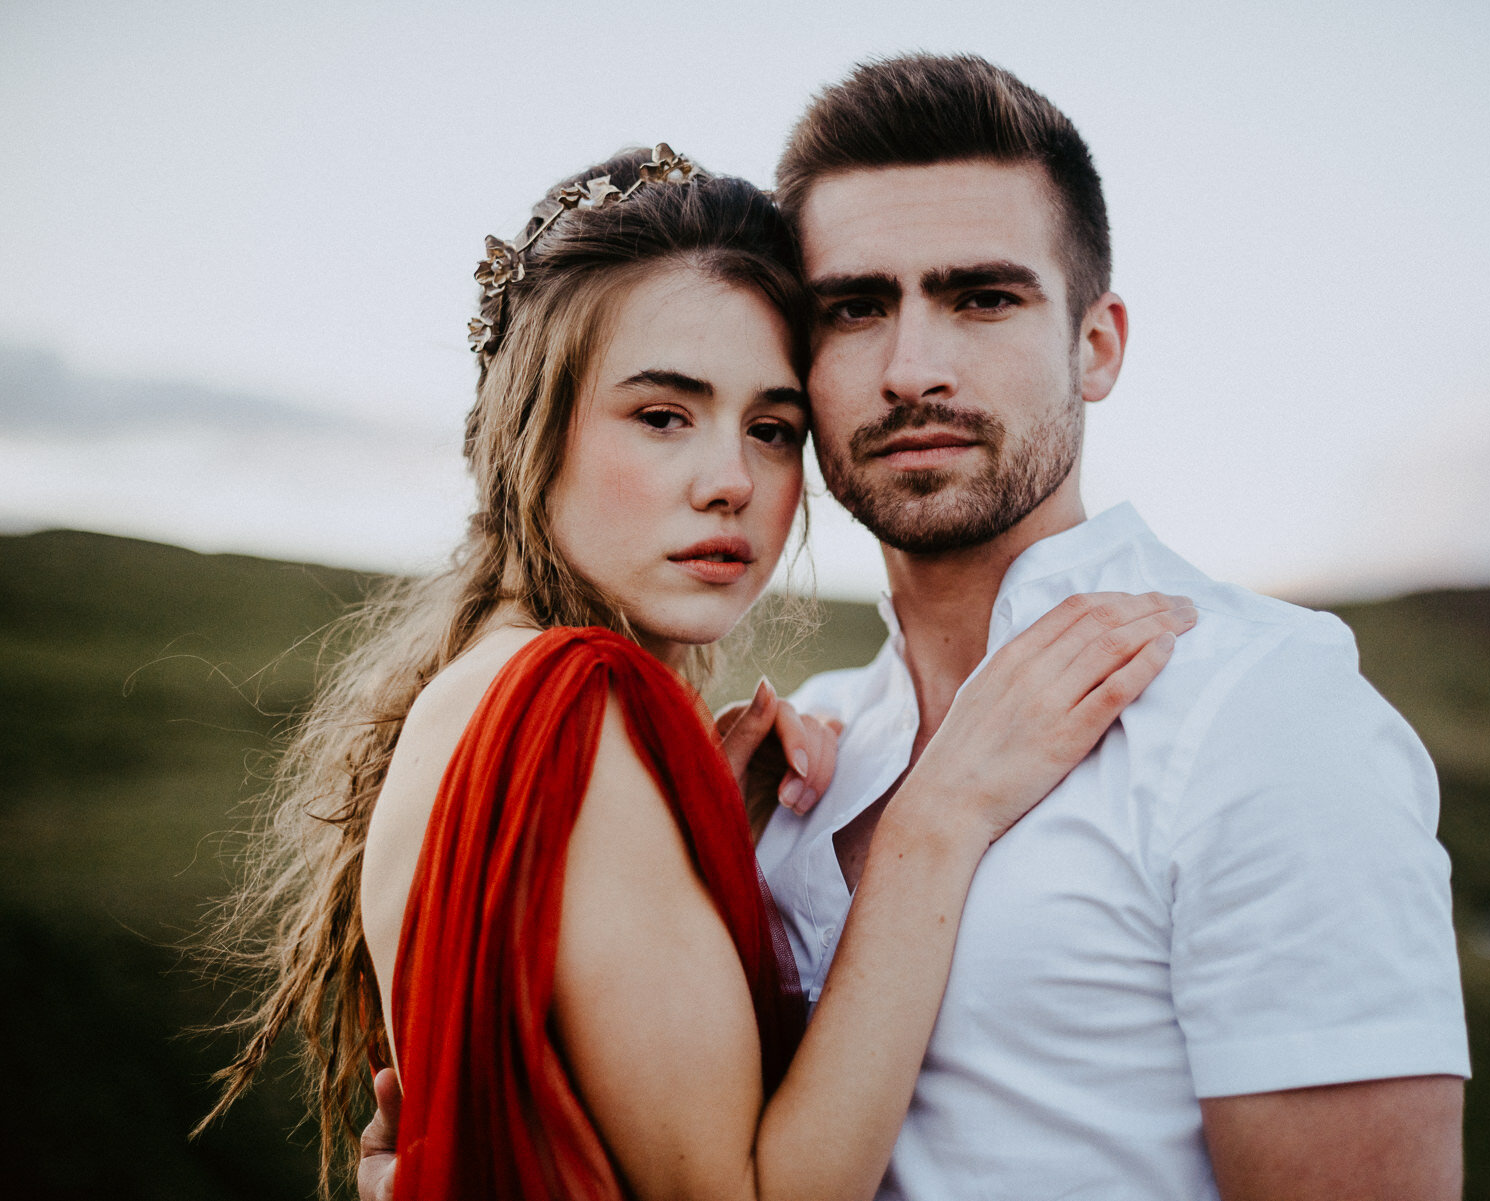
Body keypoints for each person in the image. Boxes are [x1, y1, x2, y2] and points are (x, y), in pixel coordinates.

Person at [362, 55, 1471, 1201]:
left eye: (984, 297)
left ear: (1097, 343)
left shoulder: (1261, 712)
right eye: (853, 308)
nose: (912, 369)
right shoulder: (808, 755)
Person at [197, 143, 1196, 1200]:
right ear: (529, 428)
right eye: (663, 415)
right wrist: (937, 815)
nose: (730, 482)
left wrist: (713, 829)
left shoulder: (485, 692)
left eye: (771, 430)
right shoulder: (568, 703)